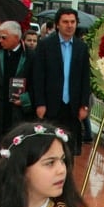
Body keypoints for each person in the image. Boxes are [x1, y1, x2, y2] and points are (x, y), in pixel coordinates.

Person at [30, 8, 91, 154]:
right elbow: (38, 77)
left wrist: (84, 105)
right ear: (57, 24)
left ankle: (67, 175)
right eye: (65, 22)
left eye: (72, 22)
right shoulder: (45, 45)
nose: (69, 25)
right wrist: (40, 103)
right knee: (50, 147)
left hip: (73, 107)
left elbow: (85, 77)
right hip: (50, 106)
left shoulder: (81, 47)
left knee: (69, 148)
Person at [0, 20, 33, 159]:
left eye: (4, 37)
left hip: (20, 113)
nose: (0, 40)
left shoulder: (31, 57)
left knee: (17, 152)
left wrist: (26, 99)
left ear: (16, 37)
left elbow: (37, 84)